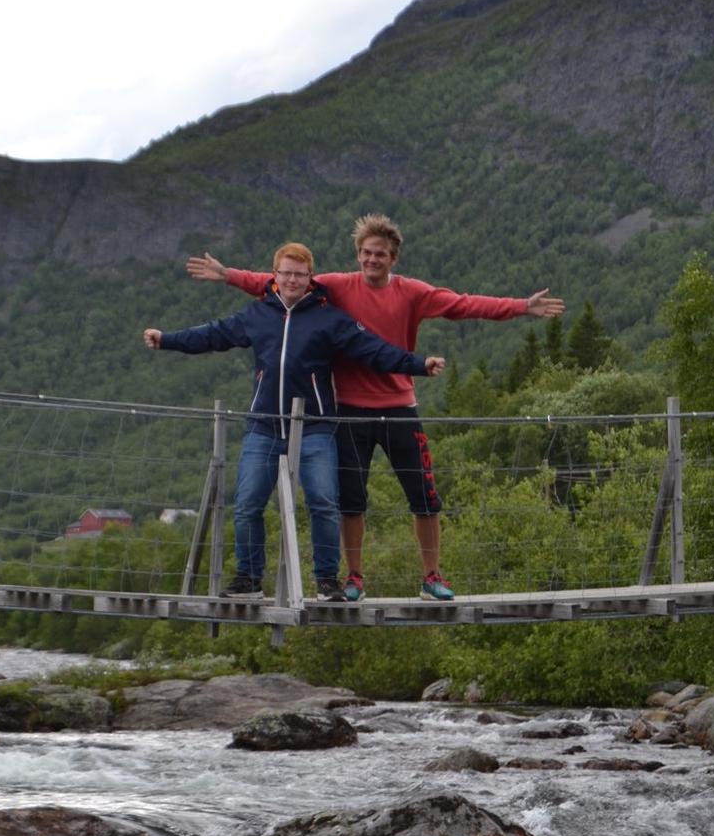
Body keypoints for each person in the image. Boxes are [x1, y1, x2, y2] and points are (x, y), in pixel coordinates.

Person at [187, 214, 564, 602]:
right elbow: (281, 282)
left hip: (400, 407)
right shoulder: (335, 286)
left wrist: (520, 306)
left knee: (424, 496)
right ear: (358, 254)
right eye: (366, 253)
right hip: (349, 411)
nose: (371, 260)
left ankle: (432, 576)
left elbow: (463, 304)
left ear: (393, 258)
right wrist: (227, 274)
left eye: (379, 254)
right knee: (351, 500)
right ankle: (353, 578)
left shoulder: (412, 292)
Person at [145, 241, 444, 602]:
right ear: (275, 275)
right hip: (264, 425)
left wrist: (418, 364)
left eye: (299, 274)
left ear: (309, 278)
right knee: (248, 504)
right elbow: (213, 334)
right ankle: (249, 580)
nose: (292, 280)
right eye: (285, 273)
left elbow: (375, 351)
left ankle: (327, 581)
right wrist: (167, 340)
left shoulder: (330, 319)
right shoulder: (257, 315)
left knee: (323, 502)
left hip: (316, 426)